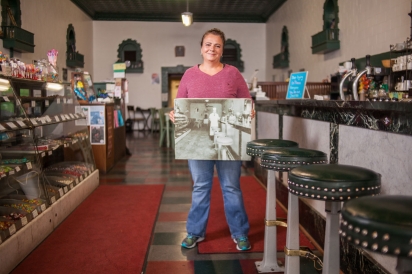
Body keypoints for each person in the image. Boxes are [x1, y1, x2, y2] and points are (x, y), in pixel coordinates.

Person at [169, 28, 255, 251]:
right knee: (200, 187)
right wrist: (174, 115)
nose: (212, 49)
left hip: (228, 141)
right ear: (201, 48)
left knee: (231, 187)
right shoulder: (189, 75)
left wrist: (249, 111)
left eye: (217, 45)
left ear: (222, 49)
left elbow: (247, 102)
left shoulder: (233, 74)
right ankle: (195, 232)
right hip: (198, 141)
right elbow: (180, 106)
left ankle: (240, 232)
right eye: (208, 44)